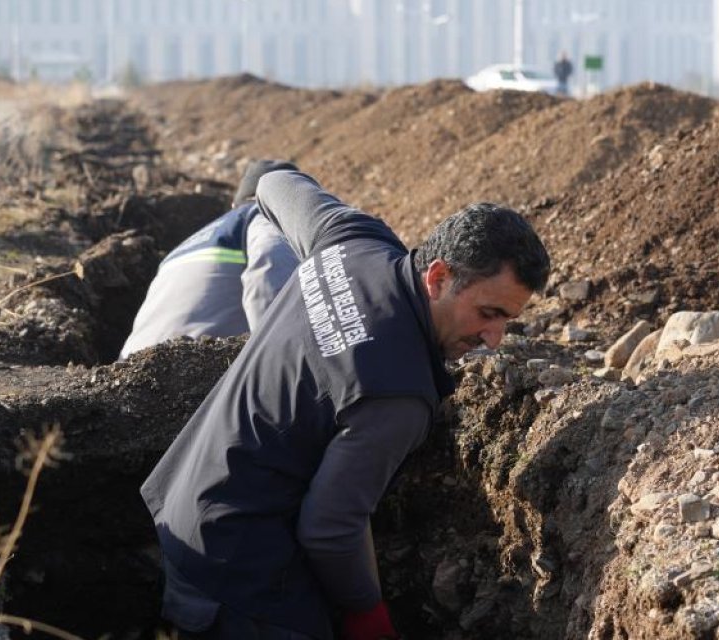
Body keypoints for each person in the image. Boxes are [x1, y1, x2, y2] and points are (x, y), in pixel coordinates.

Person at [140, 169, 550, 640]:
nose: (493, 340)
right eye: (488, 313)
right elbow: (331, 527)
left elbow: (273, 183)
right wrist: (367, 615)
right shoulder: (397, 394)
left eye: (507, 321)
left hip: (185, 509)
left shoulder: (352, 241)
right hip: (239, 575)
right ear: (438, 278)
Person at [117, 159, 301, 360]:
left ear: (233, 204)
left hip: (128, 366)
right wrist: (290, 359)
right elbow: (270, 274)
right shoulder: (264, 216)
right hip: (194, 366)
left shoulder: (180, 249)